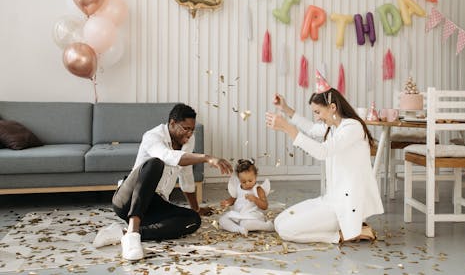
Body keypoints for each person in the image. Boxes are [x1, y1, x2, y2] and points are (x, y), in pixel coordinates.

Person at [93, 103, 233, 261]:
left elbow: (186, 173)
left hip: (155, 203)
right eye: (186, 128)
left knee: (193, 220)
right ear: (172, 123)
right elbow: (166, 156)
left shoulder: (189, 140)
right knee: (155, 163)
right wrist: (206, 157)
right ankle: (133, 231)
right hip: (128, 199)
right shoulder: (152, 136)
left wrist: (196, 208)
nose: (189, 134)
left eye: (192, 129)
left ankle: (123, 233)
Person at [265, 70, 383, 244]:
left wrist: (286, 128)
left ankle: (343, 235)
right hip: (329, 200)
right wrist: (286, 110)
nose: (317, 117)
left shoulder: (352, 128)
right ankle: (349, 229)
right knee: (279, 222)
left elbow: (322, 152)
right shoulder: (334, 127)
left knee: (286, 230)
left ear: (332, 108)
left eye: (318, 112)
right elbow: (312, 129)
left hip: (344, 205)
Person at [219, 159, 274, 236]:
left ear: (256, 176)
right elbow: (234, 199)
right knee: (222, 220)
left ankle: (267, 226)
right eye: (243, 182)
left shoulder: (258, 189)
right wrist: (228, 202)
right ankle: (239, 229)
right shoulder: (238, 187)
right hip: (238, 215)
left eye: (250, 180)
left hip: (252, 216)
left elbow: (265, 206)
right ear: (239, 179)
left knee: (246, 224)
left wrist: (255, 199)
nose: (247, 183)